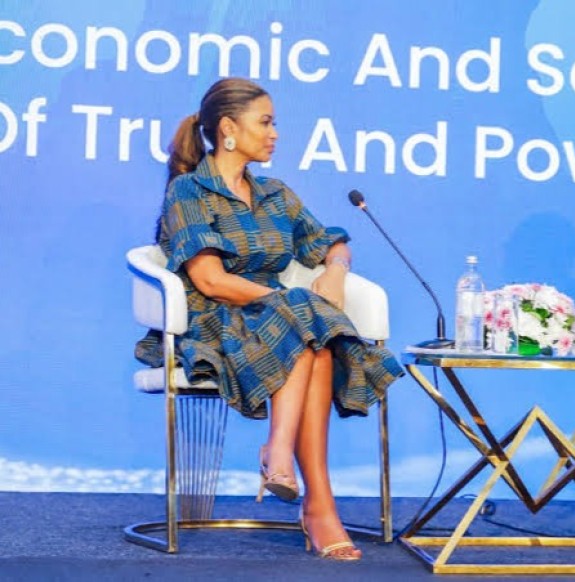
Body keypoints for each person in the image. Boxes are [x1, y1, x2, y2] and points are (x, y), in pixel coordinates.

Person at [136, 77, 403, 561]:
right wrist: (287, 301)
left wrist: (336, 271)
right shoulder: (189, 191)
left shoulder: (275, 193)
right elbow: (211, 280)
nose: (275, 133)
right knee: (305, 320)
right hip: (218, 323)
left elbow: (331, 242)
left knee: (311, 334)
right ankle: (311, 498)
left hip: (280, 322)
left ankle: (292, 473)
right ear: (228, 128)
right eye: (265, 122)